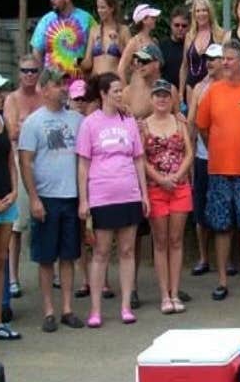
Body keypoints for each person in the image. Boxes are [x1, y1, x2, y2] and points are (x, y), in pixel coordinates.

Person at [195, 40, 240, 301]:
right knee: (222, 227)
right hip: (219, 169)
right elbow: (202, 127)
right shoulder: (212, 92)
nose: (224, 63)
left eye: (229, 58)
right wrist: (217, 149)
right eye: (222, 58)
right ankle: (223, 281)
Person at [75, 73, 150, 327]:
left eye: (121, 90)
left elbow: (138, 158)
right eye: (116, 91)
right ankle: (95, 309)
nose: (120, 95)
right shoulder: (90, 124)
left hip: (128, 192)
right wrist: (84, 200)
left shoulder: (128, 121)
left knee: (127, 250)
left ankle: (126, 305)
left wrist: (144, 194)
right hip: (102, 195)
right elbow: (83, 164)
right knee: (102, 251)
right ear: (104, 94)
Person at [18, 69, 84, 333]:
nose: (63, 89)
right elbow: (26, 162)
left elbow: (84, 159)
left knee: (68, 255)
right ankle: (48, 310)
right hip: (46, 196)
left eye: (64, 84)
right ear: (44, 89)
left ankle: (67, 308)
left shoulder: (77, 119)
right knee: (46, 257)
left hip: (70, 195)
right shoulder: (33, 122)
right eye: (57, 85)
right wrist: (34, 198)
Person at [141, 79, 193, 315]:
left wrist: (177, 176)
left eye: (165, 95)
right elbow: (140, 158)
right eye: (157, 95)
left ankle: (175, 291)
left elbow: (189, 153)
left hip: (179, 186)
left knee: (176, 240)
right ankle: (164, 294)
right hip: (155, 187)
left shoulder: (179, 122)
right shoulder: (143, 126)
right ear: (151, 99)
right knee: (160, 242)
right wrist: (161, 180)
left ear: (172, 99)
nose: (161, 99)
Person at [4, 55, 42, 299]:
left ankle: (53, 272)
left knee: (47, 217)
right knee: (16, 226)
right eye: (25, 70)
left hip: (43, 161)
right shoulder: (12, 99)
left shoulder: (42, 97)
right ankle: (14, 277)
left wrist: (25, 124)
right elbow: (12, 132)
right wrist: (31, 125)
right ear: (19, 73)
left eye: (33, 70)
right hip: (19, 160)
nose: (29, 74)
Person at [187, 42, 223, 276]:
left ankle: (229, 260)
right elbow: (192, 122)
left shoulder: (232, 86)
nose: (209, 62)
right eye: (207, 58)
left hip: (226, 158)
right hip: (202, 156)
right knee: (201, 208)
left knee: (224, 208)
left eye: (214, 58)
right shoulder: (199, 88)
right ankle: (203, 257)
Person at [0, 78, 19, 340]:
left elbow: (10, 161)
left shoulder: (3, 122)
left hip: (7, 201)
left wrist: (14, 191)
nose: (2, 95)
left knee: (0, 261)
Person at [30, 0, 95, 76]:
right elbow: (37, 51)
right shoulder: (46, 20)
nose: (52, 0)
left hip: (77, 83)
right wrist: (40, 80)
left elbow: (98, 49)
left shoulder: (87, 19)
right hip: (51, 84)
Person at [179, 0, 226, 103]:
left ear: (210, 13)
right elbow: (184, 66)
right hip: (191, 87)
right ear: (194, 14)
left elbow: (224, 64)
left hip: (213, 86)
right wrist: (181, 92)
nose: (201, 14)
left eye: (204, 10)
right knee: (193, 119)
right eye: (198, 11)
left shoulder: (220, 35)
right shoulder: (189, 36)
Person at [81, 0, 129, 77]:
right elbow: (88, 63)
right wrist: (77, 62)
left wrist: (118, 43)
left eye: (103, 7)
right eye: (98, 7)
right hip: (96, 82)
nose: (99, 11)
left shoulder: (123, 30)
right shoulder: (94, 30)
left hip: (114, 82)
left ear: (112, 8)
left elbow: (130, 61)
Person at [118, 4, 160, 83]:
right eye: (152, 18)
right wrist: (125, 91)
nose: (155, 19)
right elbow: (121, 69)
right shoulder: (134, 42)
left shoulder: (154, 41)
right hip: (138, 86)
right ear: (144, 20)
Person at [160, 6, 190, 91]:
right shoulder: (162, 46)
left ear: (189, 27)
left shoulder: (192, 48)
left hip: (187, 96)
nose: (180, 28)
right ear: (171, 25)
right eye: (177, 25)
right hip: (166, 95)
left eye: (184, 26)